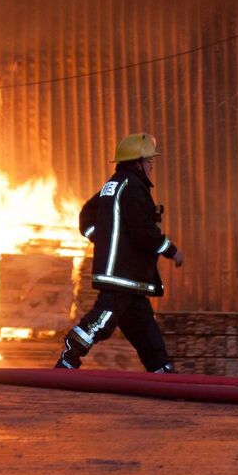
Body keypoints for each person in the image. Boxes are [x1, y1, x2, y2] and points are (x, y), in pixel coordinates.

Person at [55, 132, 184, 372]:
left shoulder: (112, 185)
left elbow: (86, 217)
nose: (151, 166)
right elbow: (143, 231)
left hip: (131, 280)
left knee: (146, 333)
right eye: (149, 161)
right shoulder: (133, 187)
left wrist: (102, 237)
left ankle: (164, 374)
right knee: (101, 322)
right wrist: (171, 250)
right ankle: (67, 360)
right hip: (121, 276)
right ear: (137, 162)